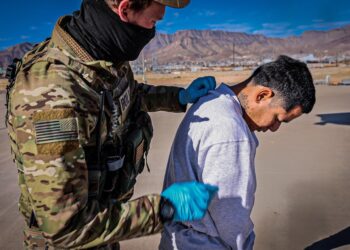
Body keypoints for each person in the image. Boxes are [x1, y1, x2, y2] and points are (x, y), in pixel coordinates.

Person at [5, 0, 218, 249]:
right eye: (154, 20)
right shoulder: (53, 96)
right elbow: (65, 229)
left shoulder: (102, 54)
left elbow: (127, 93)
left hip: (105, 231)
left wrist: (179, 96)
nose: (153, 31)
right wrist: (164, 209)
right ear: (125, 9)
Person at [159, 55, 316, 250]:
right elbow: (230, 218)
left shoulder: (210, 101)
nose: (275, 128)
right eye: (278, 118)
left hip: (178, 238)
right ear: (262, 95)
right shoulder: (231, 131)